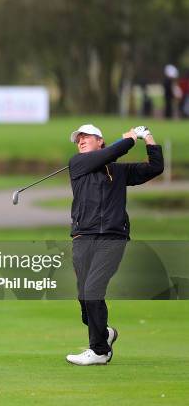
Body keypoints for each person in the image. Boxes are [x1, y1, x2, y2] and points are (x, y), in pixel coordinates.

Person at [65, 124, 163, 366]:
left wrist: (146, 137)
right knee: (84, 296)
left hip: (112, 238)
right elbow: (110, 154)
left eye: (86, 137)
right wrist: (129, 140)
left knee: (92, 289)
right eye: (78, 139)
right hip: (83, 237)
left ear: (100, 141)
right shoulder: (77, 164)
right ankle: (104, 333)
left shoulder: (118, 172)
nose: (81, 141)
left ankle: (99, 351)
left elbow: (155, 168)